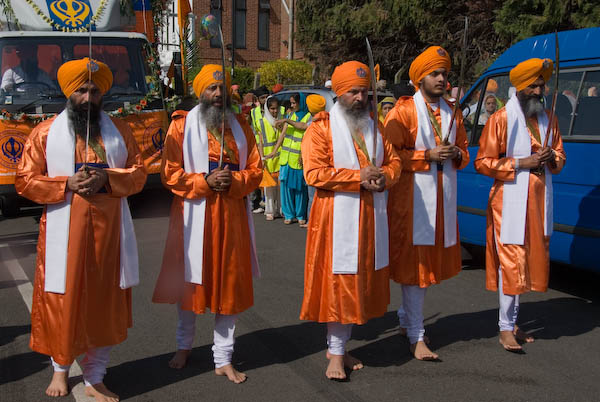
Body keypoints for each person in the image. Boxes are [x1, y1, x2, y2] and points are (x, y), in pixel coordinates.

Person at [15, 57, 146, 401]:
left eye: (95, 90)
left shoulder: (120, 131)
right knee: (64, 301)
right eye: (82, 90)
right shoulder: (44, 133)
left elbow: (139, 173)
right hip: (65, 236)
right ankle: (60, 370)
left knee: (103, 304)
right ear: (69, 94)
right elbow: (25, 181)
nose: (89, 98)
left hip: (109, 236)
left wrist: (108, 177)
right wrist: (66, 183)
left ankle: (95, 376)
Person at [152, 64, 262, 383]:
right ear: (200, 92)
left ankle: (223, 357)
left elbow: (256, 170)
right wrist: (204, 181)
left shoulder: (241, 124)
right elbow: (169, 173)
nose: (217, 94)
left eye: (222, 89)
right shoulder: (181, 126)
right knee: (190, 284)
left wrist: (234, 179)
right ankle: (184, 345)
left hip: (231, 218)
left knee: (228, 286)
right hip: (192, 218)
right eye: (211, 89)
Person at [300, 61, 401, 380]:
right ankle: (335, 353)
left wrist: (384, 177)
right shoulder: (320, 127)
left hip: (370, 219)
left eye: (364, 92)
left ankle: (341, 346)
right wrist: (357, 177)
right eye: (353, 92)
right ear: (338, 93)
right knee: (338, 284)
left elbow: (395, 162)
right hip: (335, 220)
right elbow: (314, 173)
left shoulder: (377, 125)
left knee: (357, 284)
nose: (360, 98)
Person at [384, 46, 469, 361]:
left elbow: (463, 150)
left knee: (424, 269)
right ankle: (417, 335)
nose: (442, 79)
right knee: (416, 270)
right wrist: (426, 156)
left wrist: (456, 154)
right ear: (420, 77)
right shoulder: (403, 111)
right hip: (412, 202)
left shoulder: (453, 111)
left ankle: (408, 320)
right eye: (435, 73)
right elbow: (389, 156)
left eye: (444, 73)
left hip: (442, 202)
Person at [474, 58, 566, 352]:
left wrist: (552, 158)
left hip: (539, 200)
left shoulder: (549, 118)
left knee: (526, 262)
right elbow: (483, 162)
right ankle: (504, 328)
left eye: (542, 85)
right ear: (521, 87)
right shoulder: (500, 118)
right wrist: (520, 162)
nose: (541, 90)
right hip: (509, 202)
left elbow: (561, 159)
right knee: (511, 262)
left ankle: (512, 322)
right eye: (535, 85)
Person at [273, 93, 310, 226]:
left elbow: (303, 127)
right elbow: (283, 135)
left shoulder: (309, 116)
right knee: (286, 188)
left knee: (299, 189)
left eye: (294, 103)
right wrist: (274, 151)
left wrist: (302, 154)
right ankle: (289, 214)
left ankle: (300, 214)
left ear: (302, 103)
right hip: (286, 159)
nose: (292, 106)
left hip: (298, 159)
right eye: (291, 103)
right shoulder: (289, 116)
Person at [303, 94, 327, 220]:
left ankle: (312, 224)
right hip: (328, 172)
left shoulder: (312, 128)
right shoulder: (331, 123)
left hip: (314, 171)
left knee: (313, 199)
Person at [260, 96, 284, 220]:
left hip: (280, 157)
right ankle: (270, 210)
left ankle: (280, 209)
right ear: (267, 109)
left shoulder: (281, 121)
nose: (274, 111)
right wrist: (261, 158)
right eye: (272, 109)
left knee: (280, 186)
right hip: (268, 158)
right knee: (268, 186)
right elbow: (260, 142)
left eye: (276, 108)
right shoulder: (262, 122)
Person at [248, 85, 271, 213]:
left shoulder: (276, 109)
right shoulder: (254, 112)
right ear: (258, 99)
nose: (266, 99)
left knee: (271, 178)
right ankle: (255, 202)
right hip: (258, 148)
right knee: (256, 176)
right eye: (263, 98)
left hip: (273, 150)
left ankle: (268, 203)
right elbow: (253, 130)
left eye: (267, 97)